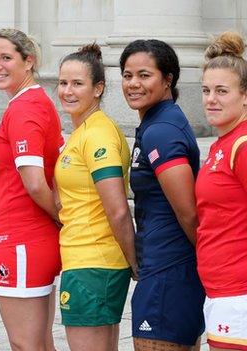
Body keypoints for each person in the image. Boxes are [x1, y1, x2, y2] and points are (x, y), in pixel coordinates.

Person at [120, 39, 205, 351]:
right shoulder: (157, 122)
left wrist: (207, 264)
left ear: (168, 79)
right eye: (127, 75)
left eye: (144, 75)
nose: (133, 84)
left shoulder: (162, 130)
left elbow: (189, 212)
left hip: (169, 272)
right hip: (168, 269)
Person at [55, 43, 138, 351]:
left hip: (94, 261)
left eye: (78, 84)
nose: (67, 91)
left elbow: (117, 209)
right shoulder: (84, 130)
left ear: (99, 88)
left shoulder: (98, 133)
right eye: (63, 83)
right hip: (86, 260)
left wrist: (134, 261)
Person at [0, 28, 63, 351]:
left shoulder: (25, 108)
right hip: (29, 240)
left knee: (24, 345)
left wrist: (61, 218)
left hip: (21, 240)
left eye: (6, 58)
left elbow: (34, 181)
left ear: (28, 61)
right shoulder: (33, 102)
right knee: (39, 343)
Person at [197, 31, 247, 351]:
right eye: (205, 90)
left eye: (221, 91)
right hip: (220, 289)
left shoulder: (242, 145)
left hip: (238, 293)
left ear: (245, 96)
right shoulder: (222, 143)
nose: (210, 99)